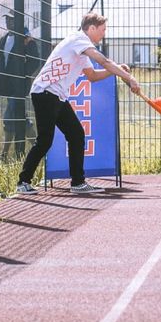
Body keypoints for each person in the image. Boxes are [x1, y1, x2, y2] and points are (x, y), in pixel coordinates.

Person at [15, 12, 140, 195]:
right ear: (91, 28)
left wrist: (116, 71)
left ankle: (78, 183)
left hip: (56, 96)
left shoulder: (82, 49)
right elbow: (103, 61)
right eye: (102, 30)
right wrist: (129, 78)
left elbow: (92, 76)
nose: (104, 34)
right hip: (45, 93)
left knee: (76, 134)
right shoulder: (78, 39)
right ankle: (23, 182)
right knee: (45, 140)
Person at [0, 15, 41, 158]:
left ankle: (4, 154)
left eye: (12, 19)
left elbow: (35, 61)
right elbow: (1, 62)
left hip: (19, 86)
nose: (8, 22)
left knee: (9, 116)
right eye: (7, 19)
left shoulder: (26, 38)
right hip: (8, 86)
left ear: (19, 21)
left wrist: (23, 73)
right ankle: (39, 151)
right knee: (21, 118)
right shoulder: (4, 39)